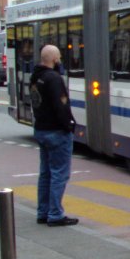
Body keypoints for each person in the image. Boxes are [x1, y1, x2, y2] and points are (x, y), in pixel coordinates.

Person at [30, 45, 79, 226]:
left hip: (41, 130)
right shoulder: (54, 78)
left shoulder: (36, 76)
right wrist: (70, 125)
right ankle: (55, 214)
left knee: (46, 173)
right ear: (53, 59)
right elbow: (61, 107)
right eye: (58, 57)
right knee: (59, 174)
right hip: (56, 132)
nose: (60, 61)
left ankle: (43, 211)